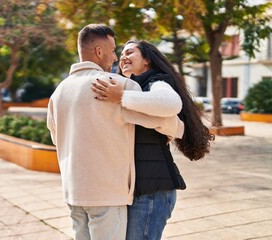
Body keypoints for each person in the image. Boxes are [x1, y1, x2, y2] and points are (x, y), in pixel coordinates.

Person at [47, 25, 184, 240]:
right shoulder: (116, 85)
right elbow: (164, 118)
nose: (114, 57)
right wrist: (180, 129)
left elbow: (56, 138)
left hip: (74, 192)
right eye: (113, 51)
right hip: (107, 193)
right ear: (100, 51)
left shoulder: (59, 92)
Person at [92, 40, 215, 240]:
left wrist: (121, 96)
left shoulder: (155, 82)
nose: (123, 57)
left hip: (153, 193)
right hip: (138, 189)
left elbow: (170, 104)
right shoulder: (137, 88)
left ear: (147, 59)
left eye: (130, 52)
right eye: (122, 53)